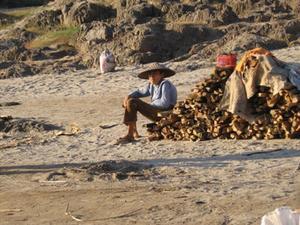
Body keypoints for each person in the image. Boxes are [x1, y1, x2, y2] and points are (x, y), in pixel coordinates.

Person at [118, 62, 177, 143]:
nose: (152, 77)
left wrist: (149, 105)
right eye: (150, 75)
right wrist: (128, 96)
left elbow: (165, 103)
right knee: (130, 100)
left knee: (133, 102)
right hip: (155, 111)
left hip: (165, 114)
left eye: (155, 74)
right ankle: (134, 132)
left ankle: (130, 134)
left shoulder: (165, 84)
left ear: (161, 75)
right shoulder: (152, 85)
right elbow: (140, 92)